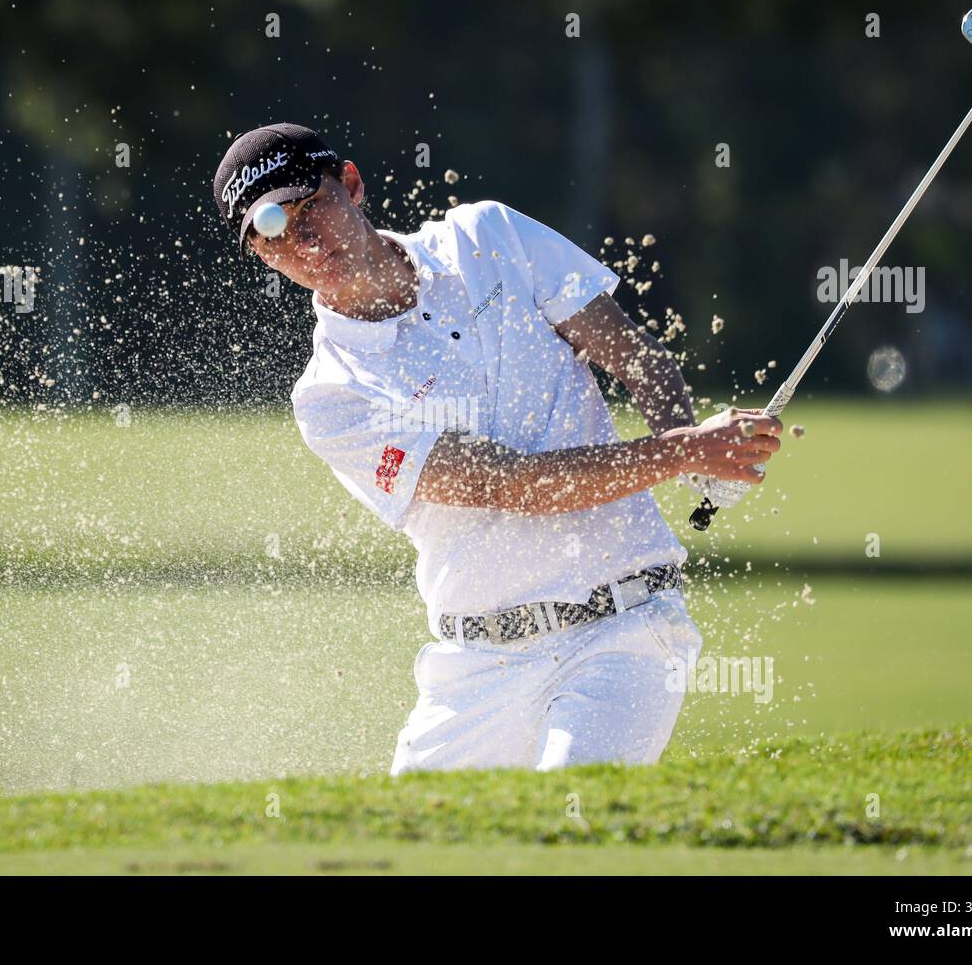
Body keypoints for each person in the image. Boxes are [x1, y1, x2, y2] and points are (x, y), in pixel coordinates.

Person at [213, 123, 783, 773]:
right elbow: (515, 486)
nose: (306, 239)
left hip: (624, 629)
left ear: (350, 183)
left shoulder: (488, 236)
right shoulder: (332, 396)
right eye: (275, 229)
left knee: (575, 822)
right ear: (263, 254)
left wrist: (704, 462)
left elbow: (638, 361)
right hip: (476, 665)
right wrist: (684, 453)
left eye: (310, 205)